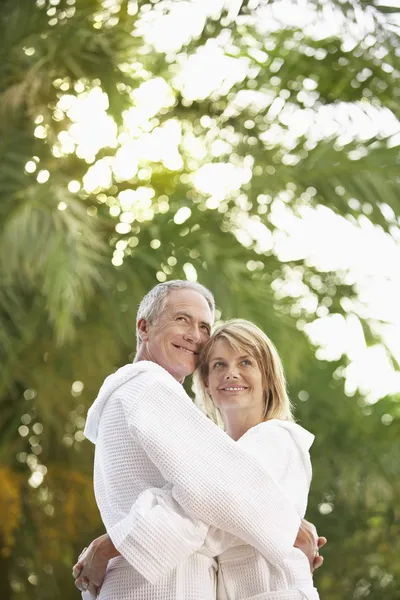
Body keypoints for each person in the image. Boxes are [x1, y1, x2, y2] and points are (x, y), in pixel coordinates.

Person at [73, 281, 325, 599]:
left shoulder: (272, 437)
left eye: (204, 325)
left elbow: (214, 493)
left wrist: (111, 545)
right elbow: (217, 492)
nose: (195, 334)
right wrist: (283, 521)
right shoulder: (150, 387)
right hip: (161, 586)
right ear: (144, 326)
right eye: (182, 319)